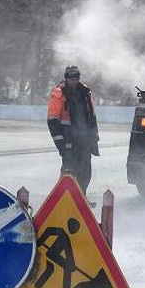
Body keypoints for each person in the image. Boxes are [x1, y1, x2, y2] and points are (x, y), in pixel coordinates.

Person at [47, 66, 100, 195]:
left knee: (85, 173)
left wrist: (94, 139)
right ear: (66, 78)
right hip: (69, 142)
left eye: (76, 77)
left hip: (85, 141)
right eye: (71, 77)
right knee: (69, 172)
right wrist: (62, 146)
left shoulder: (85, 93)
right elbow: (53, 122)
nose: (74, 80)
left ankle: (80, 199)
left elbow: (92, 117)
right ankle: (59, 201)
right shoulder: (59, 95)